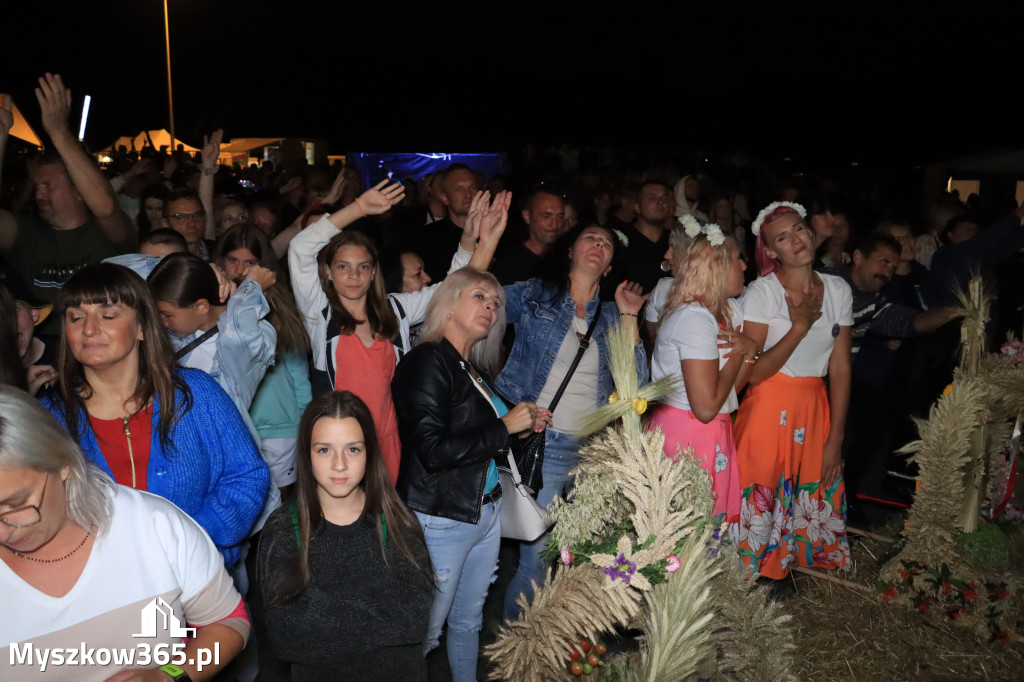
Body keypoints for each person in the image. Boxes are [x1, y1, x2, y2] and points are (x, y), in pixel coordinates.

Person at [0, 387, 247, 681]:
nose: (4, 529)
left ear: (62, 465)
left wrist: (169, 675)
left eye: (15, 505)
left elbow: (229, 623)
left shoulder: (151, 524)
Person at [474, 220, 649, 623]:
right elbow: (475, 303)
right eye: (590, 237)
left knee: (571, 561)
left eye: (606, 243)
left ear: (609, 267)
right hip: (543, 445)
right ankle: (515, 656)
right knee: (537, 561)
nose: (598, 244)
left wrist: (628, 316)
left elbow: (636, 387)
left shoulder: (610, 316)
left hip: (591, 456)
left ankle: (546, 643)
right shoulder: (537, 294)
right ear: (570, 251)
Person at [41, 263, 269, 567]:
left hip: (196, 579)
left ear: (142, 327)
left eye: (107, 315)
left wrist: (189, 537)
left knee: (161, 619)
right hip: (102, 588)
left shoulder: (195, 394)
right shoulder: (49, 417)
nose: (89, 328)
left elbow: (247, 475)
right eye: (76, 317)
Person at [392, 268, 550, 682]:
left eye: (496, 303)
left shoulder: (468, 368)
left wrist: (526, 420)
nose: (491, 307)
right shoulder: (426, 360)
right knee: (425, 633)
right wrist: (505, 426)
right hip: (443, 518)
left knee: (469, 623)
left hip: (485, 513)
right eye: (480, 296)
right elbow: (432, 450)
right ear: (449, 302)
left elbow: (483, 437)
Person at [288, 181, 500, 484]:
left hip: (390, 439)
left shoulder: (396, 310)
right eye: (343, 267)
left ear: (374, 272)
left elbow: (451, 290)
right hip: (341, 445)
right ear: (328, 272)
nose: (353, 275)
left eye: (362, 267)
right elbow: (300, 248)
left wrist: (469, 240)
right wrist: (358, 208)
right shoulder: (320, 316)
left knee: (384, 525)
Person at [258, 392, 432, 681]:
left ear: (369, 453)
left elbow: (414, 622)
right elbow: (286, 638)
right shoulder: (283, 531)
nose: (339, 465)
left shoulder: (398, 522)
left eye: (353, 449)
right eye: (324, 450)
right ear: (306, 453)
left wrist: (321, 615)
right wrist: (381, 616)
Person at [732, 202, 853, 583]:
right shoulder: (762, 292)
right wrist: (798, 327)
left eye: (799, 229)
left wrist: (836, 439)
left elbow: (840, 367)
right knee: (762, 487)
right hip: (769, 405)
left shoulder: (837, 289)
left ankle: (794, 561)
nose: (795, 240)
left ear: (811, 233)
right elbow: (753, 373)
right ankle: (752, 570)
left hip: (814, 406)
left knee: (814, 480)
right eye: (782, 237)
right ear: (770, 251)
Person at [0, 77, 135, 336]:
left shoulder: (109, 236)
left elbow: (106, 207)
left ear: (79, 190)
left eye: (49, 185)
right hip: (40, 360)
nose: (39, 193)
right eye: (37, 185)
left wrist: (59, 131)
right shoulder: (27, 234)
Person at [647, 218, 756, 524]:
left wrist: (747, 352)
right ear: (718, 267)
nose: (744, 267)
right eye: (737, 260)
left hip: (705, 431)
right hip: (689, 434)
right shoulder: (694, 318)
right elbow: (707, 406)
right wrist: (741, 352)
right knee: (684, 535)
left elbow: (726, 393)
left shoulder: (714, 314)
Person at [215, 225, 313, 491]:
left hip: (280, 430)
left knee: (279, 511)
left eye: (250, 262)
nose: (240, 270)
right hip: (232, 431)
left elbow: (299, 375)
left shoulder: (281, 309)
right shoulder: (209, 305)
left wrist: (306, 426)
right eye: (233, 260)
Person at [147, 251, 277, 437]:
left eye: (167, 315)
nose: (161, 322)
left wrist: (252, 286)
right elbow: (117, 266)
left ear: (202, 307)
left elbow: (238, 331)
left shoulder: (246, 342)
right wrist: (205, 267)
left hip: (220, 454)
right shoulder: (179, 332)